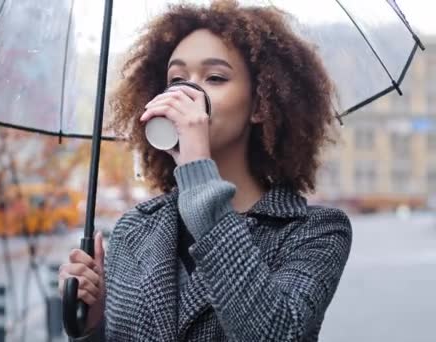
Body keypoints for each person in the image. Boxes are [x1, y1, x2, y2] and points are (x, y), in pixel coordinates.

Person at [59, 1, 352, 341]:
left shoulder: (314, 231)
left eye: (214, 77)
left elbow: (275, 334)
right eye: (176, 79)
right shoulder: (134, 229)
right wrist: (93, 326)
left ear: (259, 105)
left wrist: (199, 174)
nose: (186, 93)